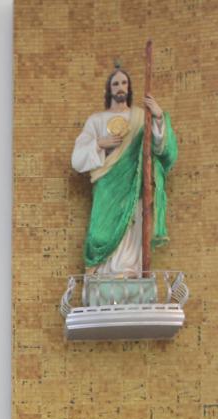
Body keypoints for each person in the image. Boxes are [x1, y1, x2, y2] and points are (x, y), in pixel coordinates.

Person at [70, 64, 177, 277]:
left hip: (133, 186)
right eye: (115, 83)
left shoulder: (140, 117)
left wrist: (157, 118)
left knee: (132, 225)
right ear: (109, 89)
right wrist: (100, 143)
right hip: (107, 185)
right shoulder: (96, 120)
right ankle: (102, 272)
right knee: (99, 235)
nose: (120, 87)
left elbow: (158, 150)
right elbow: (77, 159)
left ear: (129, 88)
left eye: (124, 83)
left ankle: (128, 270)